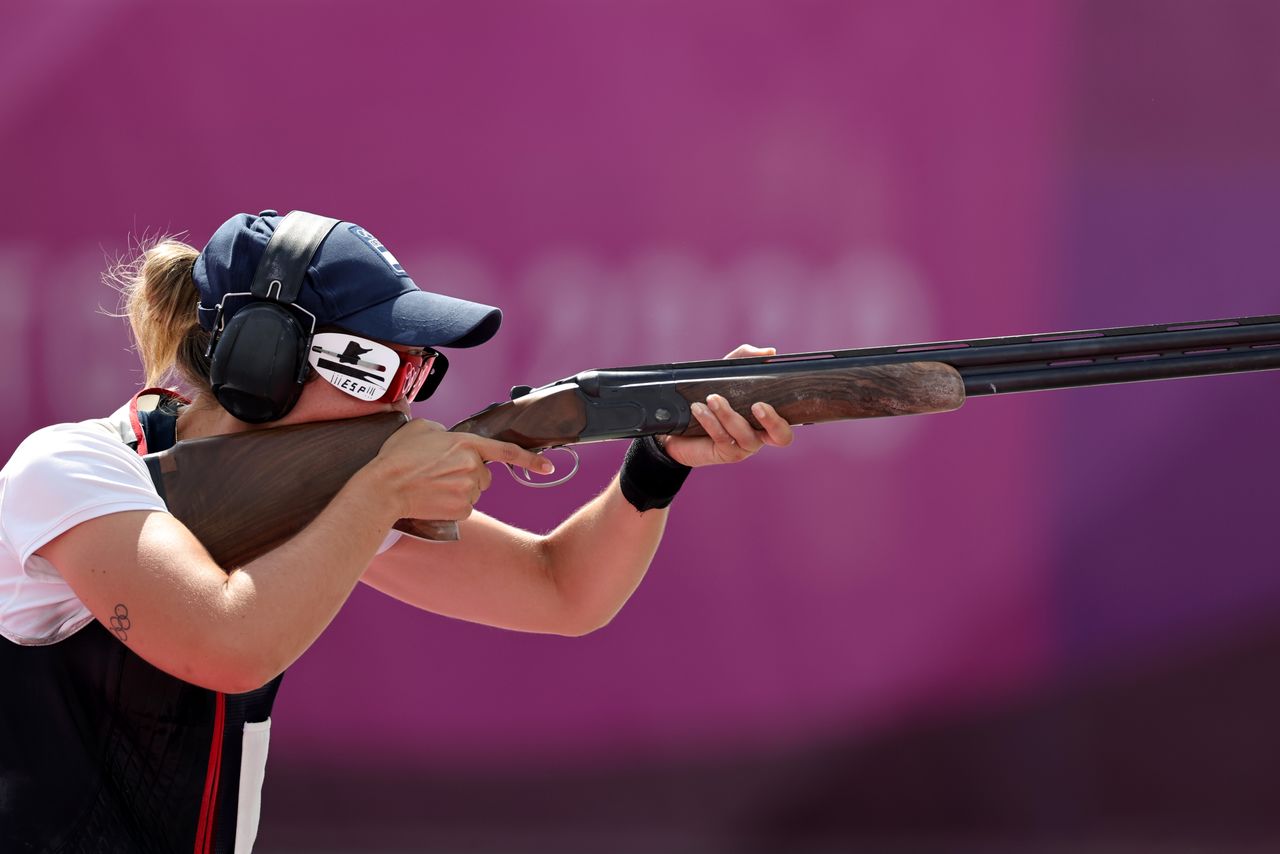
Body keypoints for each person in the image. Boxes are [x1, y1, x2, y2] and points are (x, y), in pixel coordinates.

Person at [0, 210, 794, 853]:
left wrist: (654, 463)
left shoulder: (326, 502)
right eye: (373, 369)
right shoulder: (70, 469)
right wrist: (377, 493)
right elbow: (226, 643)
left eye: (417, 373)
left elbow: (564, 590)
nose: (401, 405)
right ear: (262, 362)